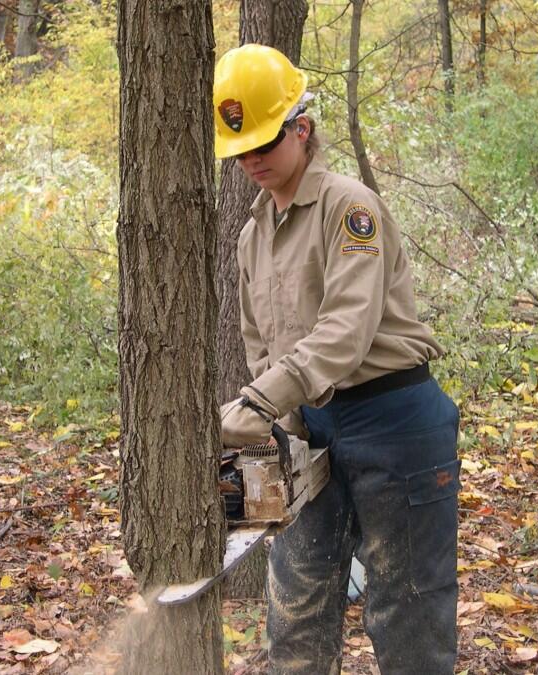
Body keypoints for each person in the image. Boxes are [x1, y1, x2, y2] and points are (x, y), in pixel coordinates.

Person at [214, 44, 462, 675]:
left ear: (302, 127)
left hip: (394, 417)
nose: (252, 161)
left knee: (406, 608)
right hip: (314, 424)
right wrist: (279, 425)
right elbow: (259, 339)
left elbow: (347, 328)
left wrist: (262, 399)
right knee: (296, 603)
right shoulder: (251, 235)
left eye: (264, 144)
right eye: (240, 150)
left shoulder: (349, 209)